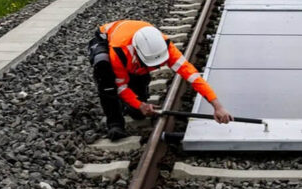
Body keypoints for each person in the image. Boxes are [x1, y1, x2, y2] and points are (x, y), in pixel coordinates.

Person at [87, 20, 233, 140]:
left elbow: (193, 76)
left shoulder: (165, 47)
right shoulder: (118, 52)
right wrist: (139, 104)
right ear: (137, 55)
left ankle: (129, 105)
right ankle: (115, 123)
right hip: (106, 39)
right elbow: (121, 86)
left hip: (134, 55)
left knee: (137, 112)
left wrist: (217, 105)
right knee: (106, 77)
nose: (156, 68)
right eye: (150, 65)